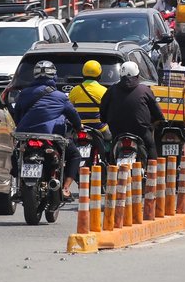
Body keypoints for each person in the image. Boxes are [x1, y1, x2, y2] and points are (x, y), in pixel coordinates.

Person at [13, 61, 82, 200]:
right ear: (54, 76)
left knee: (15, 154)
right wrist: (79, 127)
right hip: (50, 136)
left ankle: (19, 185)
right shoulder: (61, 97)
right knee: (75, 155)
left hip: (25, 136)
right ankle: (66, 188)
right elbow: (74, 116)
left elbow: (17, 116)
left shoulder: (24, 94)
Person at [99, 61, 164, 154]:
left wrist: (104, 119)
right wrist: (157, 121)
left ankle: (111, 165)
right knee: (150, 146)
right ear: (137, 76)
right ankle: (151, 168)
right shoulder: (145, 90)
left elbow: (103, 111)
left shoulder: (111, 90)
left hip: (117, 131)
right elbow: (157, 112)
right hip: (141, 132)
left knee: (112, 150)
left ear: (121, 76)